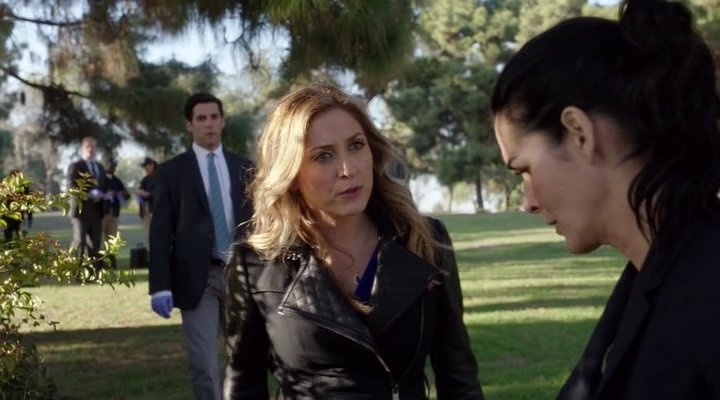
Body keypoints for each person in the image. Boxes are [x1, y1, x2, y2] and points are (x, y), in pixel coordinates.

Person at [491, 0, 720, 398]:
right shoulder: (654, 275)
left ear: (579, 133)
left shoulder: (708, 293)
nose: (527, 202)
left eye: (524, 169)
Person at [224, 83, 483, 399]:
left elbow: (459, 376)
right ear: (290, 176)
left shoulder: (424, 240)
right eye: (323, 156)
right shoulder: (255, 264)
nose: (348, 169)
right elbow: (243, 384)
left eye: (356, 145)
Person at [149, 93, 253, 400]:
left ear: (222, 121)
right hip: (198, 280)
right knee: (204, 365)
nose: (208, 124)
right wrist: (160, 286)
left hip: (241, 277)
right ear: (189, 125)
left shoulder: (245, 168)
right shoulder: (172, 172)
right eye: (201, 118)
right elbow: (160, 233)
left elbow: (257, 224)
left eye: (214, 117)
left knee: (245, 362)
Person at [67, 136, 107, 269]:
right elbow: (71, 186)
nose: (90, 149)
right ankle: (76, 272)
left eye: (93, 147)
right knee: (80, 241)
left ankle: (94, 273)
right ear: (82, 149)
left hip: (97, 210)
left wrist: (102, 193)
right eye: (87, 147)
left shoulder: (100, 167)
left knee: (95, 244)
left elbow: (103, 185)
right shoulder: (76, 166)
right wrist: (89, 193)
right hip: (80, 211)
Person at [102, 158, 131, 268]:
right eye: (111, 165)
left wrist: (121, 194)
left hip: (114, 213)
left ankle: (111, 263)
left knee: (112, 239)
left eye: (114, 165)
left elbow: (127, 195)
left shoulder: (117, 181)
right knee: (99, 239)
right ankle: (99, 263)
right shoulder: (101, 179)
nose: (113, 167)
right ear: (106, 165)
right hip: (102, 213)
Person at [137, 156, 157, 246]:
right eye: (144, 166)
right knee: (147, 236)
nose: (145, 168)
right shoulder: (145, 179)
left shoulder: (160, 177)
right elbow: (140, 190)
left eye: (146, 166)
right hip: (146, 209)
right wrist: (140, 192)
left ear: (152, 165)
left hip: (156, 210)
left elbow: (160, 192)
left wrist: (148, 194)